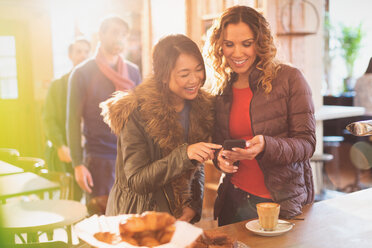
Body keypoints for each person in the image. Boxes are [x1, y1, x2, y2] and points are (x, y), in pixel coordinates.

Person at [203, 5, 316, 226]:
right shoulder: (222, 89)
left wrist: (266, 146)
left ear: (261, 42)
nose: (237, 53)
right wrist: (220, 160)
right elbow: (218, 145)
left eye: (247, 43)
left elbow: (307, 144)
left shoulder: (290, 79)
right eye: (229, 44)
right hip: (233, 201)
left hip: (279, 204)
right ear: (220, 46)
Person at [100, 34, 221, 223]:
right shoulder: (137, 112)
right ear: (164, 76)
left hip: (177, 217)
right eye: (184, 74)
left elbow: (196, 165)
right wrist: (185, 154)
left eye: (198, 70)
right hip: (136, 216)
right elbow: (137, 181)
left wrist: (193, 207)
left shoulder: (201, 108)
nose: (195, 79)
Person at [67, 16, 142, 207]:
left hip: (129, 158)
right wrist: (77, 164)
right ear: (100, 35)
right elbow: (73, 121)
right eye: (115, 32)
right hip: (98, 159)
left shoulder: (133, 72)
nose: (120, 38)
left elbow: (140, 116)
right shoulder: (83, 72)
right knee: (101, 222)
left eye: (124, 35)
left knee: (129, 218)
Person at [43, 38, 90, 200]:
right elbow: (49, 119)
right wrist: (60, 145)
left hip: (92, 151)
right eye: (78, 52)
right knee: (72, 200)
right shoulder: (57, 85)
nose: (83, 56)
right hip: (68, 150)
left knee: (98, 202)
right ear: (70, 55)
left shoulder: (95, 84)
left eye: (86, 52)